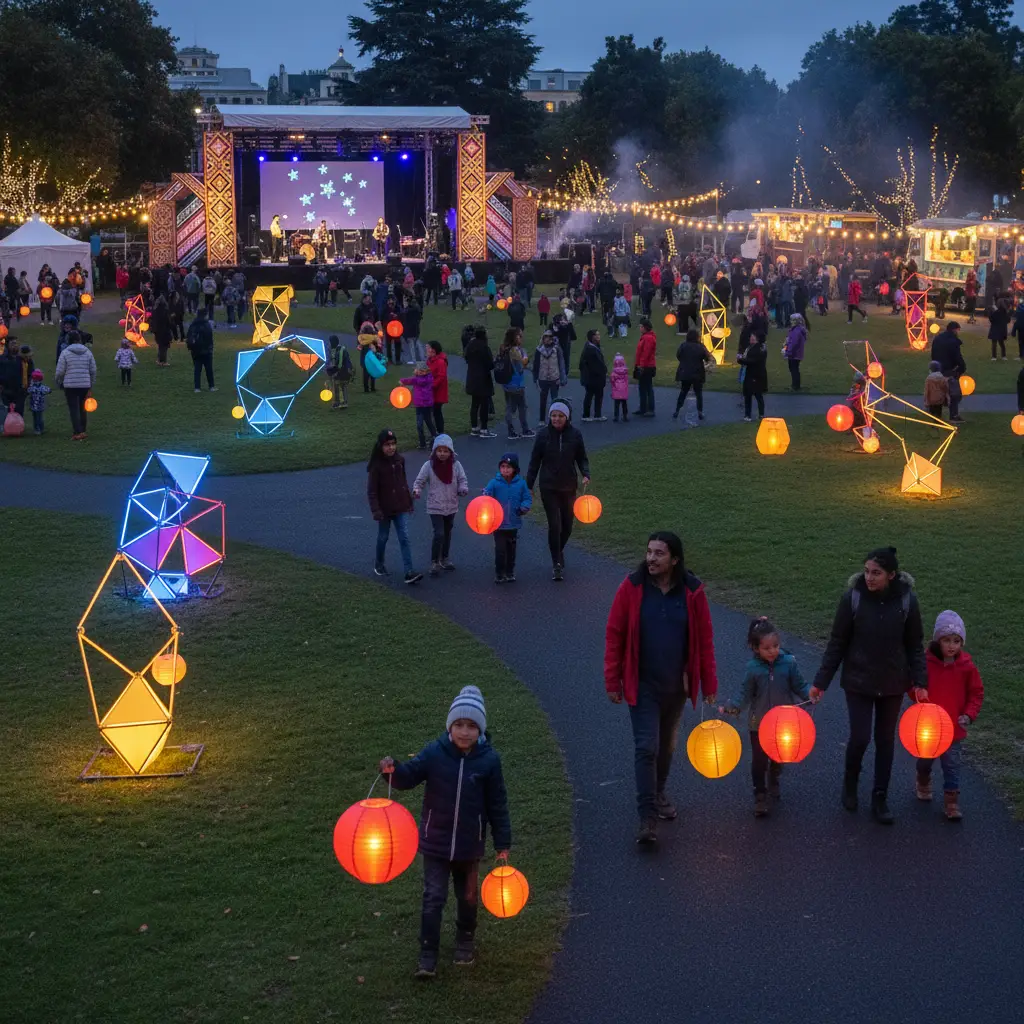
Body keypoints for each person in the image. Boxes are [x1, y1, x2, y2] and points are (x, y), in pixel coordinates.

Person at [379, 684, 510, 979]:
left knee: (467, 898)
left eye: (472, 726)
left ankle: (465, 941)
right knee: (433, 896)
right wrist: (392, 771)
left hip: (469, 846)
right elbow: (409, 776)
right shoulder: (434, 754)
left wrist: (503, 841)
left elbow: (497, 803)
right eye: (460, 725)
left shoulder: (489, 761)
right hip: (435, 844)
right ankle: (428, 955)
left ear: (481, 730)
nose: (465, 732)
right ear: (450, 726)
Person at [604, 531, 719, 844]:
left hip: (676, 687)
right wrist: (611, 680)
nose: (651, 559)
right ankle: (647, 818)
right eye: (649, 552)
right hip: (642, 684)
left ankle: (659, 792)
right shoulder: (632, 587)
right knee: (646, 746)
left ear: (675, 559)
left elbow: (705, 641)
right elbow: (615, 634)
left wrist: (708, 682)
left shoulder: (693, 591)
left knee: (666, 746)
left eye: (659, 554)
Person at [810, 547, 926, 824]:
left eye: (876, 573)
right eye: (867, 571)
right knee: (860, 737)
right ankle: (850, 784)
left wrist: (921, 682)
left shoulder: (907, 601)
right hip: (858, 681)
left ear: (892, 575)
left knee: (886, 741)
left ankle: (880, 797)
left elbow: (915, 645)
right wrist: (820, 682)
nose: (869, 577)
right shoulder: (853, 598)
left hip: (892, 683)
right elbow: (837, 642)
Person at [721, 617, 811, 817]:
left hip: (783, 724)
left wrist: (810, 695)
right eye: (767, 648)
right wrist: (731, 707)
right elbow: (744, 694)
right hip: (759, 724)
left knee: (779, 755)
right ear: (755, 648)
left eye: (776, 646)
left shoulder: (788, 664)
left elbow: (800, 685)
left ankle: (774, 777)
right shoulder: (753, 669)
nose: (773, 651)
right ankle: (760, 794)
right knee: (759, 760)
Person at [913, 610, 983, 821]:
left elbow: (976, 693)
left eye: (956, 641)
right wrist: (917, 692)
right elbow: (913, 684)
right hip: (929, 727)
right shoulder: (926, 664)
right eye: (946, 640)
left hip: (953, 728)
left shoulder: (966, 667)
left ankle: (951, 803)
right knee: (925, 760)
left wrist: (969, 715)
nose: (952, 645)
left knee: (951, 765)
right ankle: (923, 779)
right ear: (937, 641)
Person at [526, 401, 589, 581]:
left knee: (567, 525)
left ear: (566, 417)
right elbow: (534, 462)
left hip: (569, 486)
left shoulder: (575, 435)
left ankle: (558, 549)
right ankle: (557, 563)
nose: (556, 419)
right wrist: (528, 485)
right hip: (548, 487)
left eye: (560, 416)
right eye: (553, 415)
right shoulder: (543, 435)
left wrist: (586, 473)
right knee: (555, 525)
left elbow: (582, 458)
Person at [367, 428, 422, 583]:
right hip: (384, 510)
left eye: (393, 444)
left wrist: (409, 502)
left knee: (404, 537)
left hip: (400, 507)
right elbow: (372, 491)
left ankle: (409, 571)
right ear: (380, 446)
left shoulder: (400, 461)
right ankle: (379, 563)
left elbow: (403, 483)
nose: (391, 447)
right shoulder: (376, 467)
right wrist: (376, 510)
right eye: (387, 445)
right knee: (383, 537)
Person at [412, 433, 469, 574]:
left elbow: (462, 480)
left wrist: (463, 489)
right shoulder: (429, 465)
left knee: (448, 532)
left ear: (450, 452)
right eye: (439, 450)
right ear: (434, 451)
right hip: (435, 506)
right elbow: (419, 481)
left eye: (445, 451)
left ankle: (444, 558)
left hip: (451, 505)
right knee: (439, 533)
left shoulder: (456, 466)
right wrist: (417, 490)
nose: (442, 454)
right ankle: (434, 561)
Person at [483, 452, 532, 583]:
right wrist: (485, 495)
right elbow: (486, 496)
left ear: (515, 469)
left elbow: (527, 498)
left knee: (511, 550)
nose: (505, 469)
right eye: (503, 466)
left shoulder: (521, 484)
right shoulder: (494, 483)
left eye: (508, 467)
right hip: (498, 524)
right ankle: (499, 573)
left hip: (513, 523)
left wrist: (524, 506)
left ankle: (509, 572)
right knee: (500, 550)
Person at [54, 330, 96, 440]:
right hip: (85, 384)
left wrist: (58, 380)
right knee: (83, 408)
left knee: (73, 409)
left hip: (70, 385)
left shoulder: (65, 353)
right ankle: (83, 430)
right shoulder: (87, 352)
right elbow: (93, 370)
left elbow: (60, 371)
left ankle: (77, 432)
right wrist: (91, 383)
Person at [494, 329, 532, 440]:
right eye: (519, 336)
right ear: (514, 338)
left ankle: (510, 431)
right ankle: (524, 429)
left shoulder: (503, 348)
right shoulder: (515, 350)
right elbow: (522, 365)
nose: (521, 338)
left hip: (506, 382)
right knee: (521, 407)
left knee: (509, 406)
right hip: (516, 383)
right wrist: (525, 355)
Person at [672, 327, 713, 422]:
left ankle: (677, 410)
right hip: (697, 373)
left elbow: (678, 355)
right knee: (698, 393)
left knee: (683, 392)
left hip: (685, 372)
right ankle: (700, 412)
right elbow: (707, 358)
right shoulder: (700, 347)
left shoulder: (683, 345)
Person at [931, 320, 966, 423]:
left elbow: (933, 354)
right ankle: (953, 416)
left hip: (937, 369)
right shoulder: (953, 341)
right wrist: (961, 368)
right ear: (955, 330)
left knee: (938, 394)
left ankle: (936, 417)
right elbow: (957, 357)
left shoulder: (937, 339)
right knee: (954, 394)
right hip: (949, 371)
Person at [464, 326, 496, 438]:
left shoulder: (470, 346)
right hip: (483, 378)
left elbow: (466, 358)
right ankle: (484, 428)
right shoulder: (484, 347)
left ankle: (474, 427)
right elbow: (490, 364)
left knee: (474, 404)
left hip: (472, 377)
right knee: (484, 404)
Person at [532, 329, 566, 425]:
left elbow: (561, 363)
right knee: (543, 400)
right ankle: (542, 420)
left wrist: (562, 378)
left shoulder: (557, 349)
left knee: (555, 400)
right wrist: (535, 378)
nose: (548, 339)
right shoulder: (539, 350)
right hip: (543, 378)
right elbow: (536, 364)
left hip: (554, 378)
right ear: (543, 339)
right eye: (546, 337)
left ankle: (554, 419)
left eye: (550, 337)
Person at [400, 361, 437, 449]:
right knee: (423, 423)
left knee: (425, 423)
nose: (421, 372)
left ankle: (430, 439)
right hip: (420, 406)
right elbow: (412, 380)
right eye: (419, 370)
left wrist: (402, 381)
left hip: (426, 405)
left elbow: (412, 380)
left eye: (422, 371)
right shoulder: (420, 378)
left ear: (426, 371)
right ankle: (425, 441)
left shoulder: (424, 379)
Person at [578, 328, 608, 422]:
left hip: (594, 376)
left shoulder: (593, 347)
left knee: (595, 395)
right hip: (593, 377)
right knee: (591, 395)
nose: (599, 336)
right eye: (597, 335)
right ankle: (588, 415)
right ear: (592, 337)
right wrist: (603, 371)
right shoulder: (590, 349)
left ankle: (596, 414)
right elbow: (595, 365)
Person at [738, 328, 767, 421]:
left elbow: (753, 361)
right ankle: (758, 414)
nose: (751, 338)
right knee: (755, 395)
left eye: (753, 337)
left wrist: (741, 360)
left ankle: (749, 415)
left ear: (757, 338)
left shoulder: (758, 349)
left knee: (753, 395)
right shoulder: (753, 347)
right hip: (754, 374)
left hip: (754, 374)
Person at [186, 308, 216, 392]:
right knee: (208, 369)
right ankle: (211, 386)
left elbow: (189, 336)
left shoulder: (193, 324)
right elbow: (209, 337)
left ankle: (197, 387)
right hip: (206, 350)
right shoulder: (206, 324)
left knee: (197, 369)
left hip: (196, 350)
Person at [633, 319, 657, 417]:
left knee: (647, 387)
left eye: (641, 326)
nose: (640, 328)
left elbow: (645, 353)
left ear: (645, 327)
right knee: (643, 387)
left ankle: (650, 408)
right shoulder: (646, 337)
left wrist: (641, 366)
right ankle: (643, 407)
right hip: (645, 365)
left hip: (647, 366)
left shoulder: (648, 338)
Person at [325, 334, 353, 409]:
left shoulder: (341, 350)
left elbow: (340, 364)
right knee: (336, 386)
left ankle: (343, 402)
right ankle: (337, 402)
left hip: (342, 371)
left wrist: (332, 370)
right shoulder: (333, 349)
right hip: (338, 370)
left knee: (341, 386)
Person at [426, 340, 448, 434]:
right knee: (434, 412)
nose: (426, 350)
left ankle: (439, 431)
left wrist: (431, 385)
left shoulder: (440, 362)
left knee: (437, 412)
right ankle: (436, 431)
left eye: (428, 348)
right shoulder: (430, 360)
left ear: (433, 350)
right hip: (431, 391)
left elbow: (441, 377)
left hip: (438, 392)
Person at [782, 312, 807, 390]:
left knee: (793, 369)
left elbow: (793, 343)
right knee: (794, 369)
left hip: (794, 353)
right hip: (797, 353)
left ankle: (795, 386)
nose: (790, 321)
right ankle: (796, 385)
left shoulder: (796, 331)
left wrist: (787, 352)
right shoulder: (797, 329)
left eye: (792, 320)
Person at [27, 369, 50, 434]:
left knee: (37, 418)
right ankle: (39, 428)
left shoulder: (33, 388)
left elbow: (28, 390)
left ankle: (38, 429)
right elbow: (48, 390)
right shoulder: (42, 387)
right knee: (38, 418)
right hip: (37, 405)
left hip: (37, 405)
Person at [610, 352, 630, 422]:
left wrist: (613, 388)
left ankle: (616, 416)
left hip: (617, 390)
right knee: (624, 403)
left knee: (616, 404)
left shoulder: (614, 373)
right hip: (624, 390)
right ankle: (625, 416)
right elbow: (627, 381)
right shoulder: (625, 372)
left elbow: (612, 381)